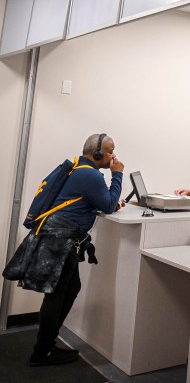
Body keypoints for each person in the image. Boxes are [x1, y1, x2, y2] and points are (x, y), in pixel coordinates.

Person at [26, 133, 124, 366]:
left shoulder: (79, 168)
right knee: (57, 294)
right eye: (110, 151)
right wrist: (117, 174)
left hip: (57, 238)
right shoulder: (90, 175)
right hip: (60, 240)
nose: (113, 156)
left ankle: (46, 346)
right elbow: (108, 205)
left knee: (69, 289)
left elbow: (96, 202)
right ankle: (42, 352)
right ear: (97, 153)